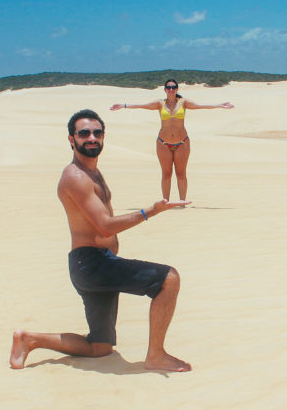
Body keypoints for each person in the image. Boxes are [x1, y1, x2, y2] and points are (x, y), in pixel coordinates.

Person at [10, 109, 192, 372]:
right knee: (169, 279)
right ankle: (156, 355)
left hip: (99, 263)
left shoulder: (93, 172)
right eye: (84, 133)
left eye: (97, 132)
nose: (92, 138)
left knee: (99, 347)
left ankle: (30, 339)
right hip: (91, 265)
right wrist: (150, 211)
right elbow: (105, 227)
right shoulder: (75, 177)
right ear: (71, 139)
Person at [109, 79, 233, 201]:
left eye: (174, 87)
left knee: (181, 174)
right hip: (163, 143)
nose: (171, 90)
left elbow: (201, 106)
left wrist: (220, 105)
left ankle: (182, 202)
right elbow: (142, 105)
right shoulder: (159, 103)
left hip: (182, 143)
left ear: (177, 89)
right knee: (166, 174)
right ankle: (165, 202)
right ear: (165, 90)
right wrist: (123, 105)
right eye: (168, 88)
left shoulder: (183, 102)